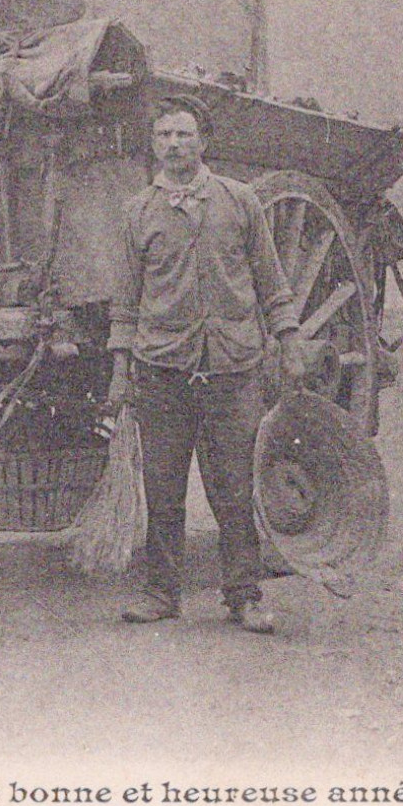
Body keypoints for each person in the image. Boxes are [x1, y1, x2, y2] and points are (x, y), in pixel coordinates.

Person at [104, 95, 305, 634]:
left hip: (232, 370)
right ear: (153, 145)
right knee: (164, 490)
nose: (174, 145)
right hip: (161, 371)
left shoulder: (240, 202)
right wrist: (121, 371)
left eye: (184, 135)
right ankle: (160, 593)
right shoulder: (138, 213)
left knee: (234, 488)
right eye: (165, 136)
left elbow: (271, 279)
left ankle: (244, 594)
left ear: (203, 142)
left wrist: (288, 339)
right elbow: (125, 301)